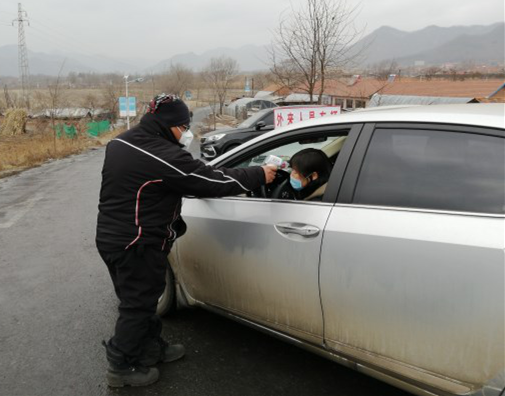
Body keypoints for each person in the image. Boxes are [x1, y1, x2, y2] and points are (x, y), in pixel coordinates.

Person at [96, 93, 277, 387]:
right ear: (167, 124)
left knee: (141, 298)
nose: (186, 132)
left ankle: (151, 348)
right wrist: (259, 174)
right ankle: (121, 365)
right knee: (138, 305)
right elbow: (209, 180)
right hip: (137, 243)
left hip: (113, 237)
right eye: (182, 126)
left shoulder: (122, 142)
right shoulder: (162, 155)